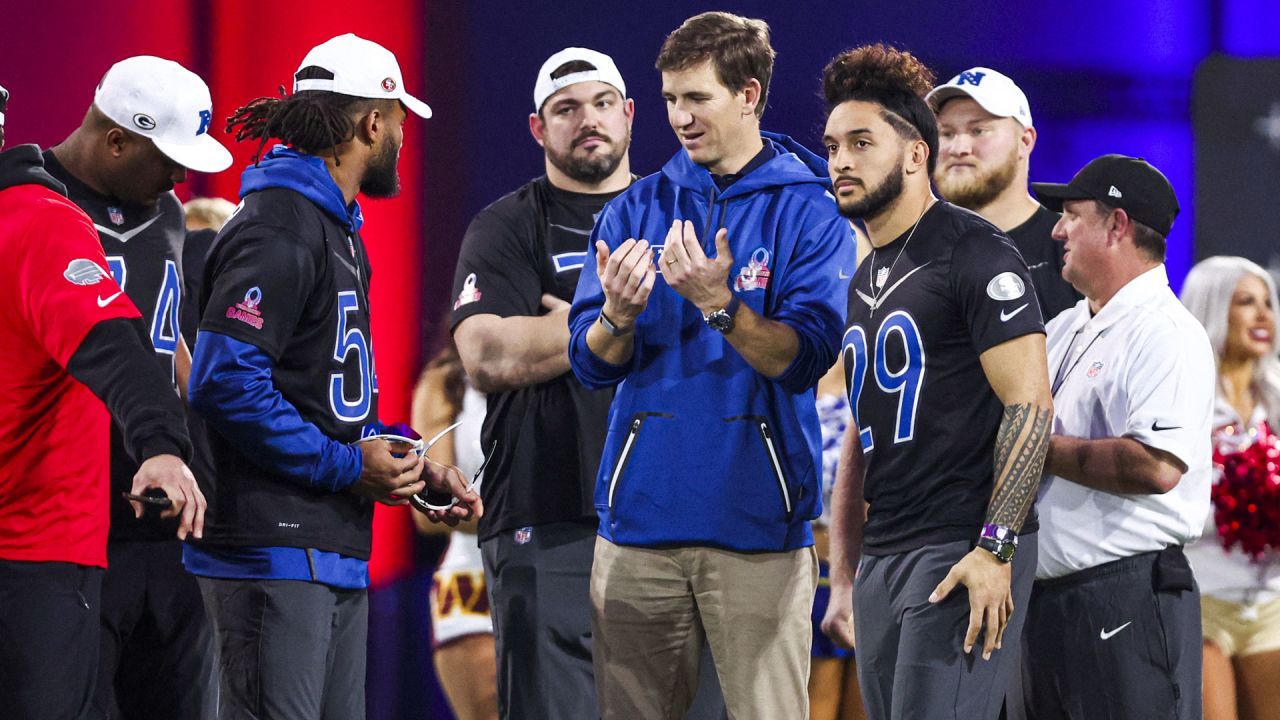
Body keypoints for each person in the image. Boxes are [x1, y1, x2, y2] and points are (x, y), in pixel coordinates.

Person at [568, 12, 855, 718]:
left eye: (697, 98)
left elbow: (805, 358)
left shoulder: (812, 209)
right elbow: (588, 361)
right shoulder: (635, 207)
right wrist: (616, 319)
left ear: (749, 95)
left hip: (758, 535)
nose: (679, 117)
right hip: (637, 530)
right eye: (669, 99)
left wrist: (719, 304)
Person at [185, 34, 479, 719]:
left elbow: (323, 392)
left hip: (328, 546)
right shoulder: (278, 229)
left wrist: (403, 458)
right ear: (371, 122)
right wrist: (348, 466)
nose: (403, 135)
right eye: (399, 119)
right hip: (270, 549)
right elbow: (224, 381)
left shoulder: (335, 229)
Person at [817, 44, 1053, 720]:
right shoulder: (866, 277)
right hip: (886, 554)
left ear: (916, 153)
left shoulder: (975, 250)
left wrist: (996, 547)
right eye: (833, 145)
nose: (841, 161)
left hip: (959, 543)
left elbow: (1030, 404)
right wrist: (844, 574)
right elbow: (866, 437)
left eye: (862, 142)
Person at [0, 81, 205, 720]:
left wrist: (165, 446)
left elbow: (124, 350)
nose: (177, 178)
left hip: (41, 549)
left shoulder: (36, 220)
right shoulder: (38, 218)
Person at [41, 55, 232, 720]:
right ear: (116, 139)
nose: (182, 175)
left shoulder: (169, 213)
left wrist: (211, 424)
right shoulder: (31, 206)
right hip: (67, 523)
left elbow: (164, 333)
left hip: (166, 515)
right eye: (167, 157)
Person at [1022, 154, 1215, 719]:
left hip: (1126, 593)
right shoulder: (1065, 326)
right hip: (1049, 599)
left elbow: (1155, 466)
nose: (1057, 228)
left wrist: (1034, 449)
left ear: (1117, 224)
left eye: (1072, 215)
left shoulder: (1167, 331)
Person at [1181, 256, 1280, 720]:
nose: (1264, 315)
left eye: (1268, 303)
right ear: (1214, 307)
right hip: (1203, 600)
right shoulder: (1185, 396)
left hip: (1268, 602)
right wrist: (1241, 500)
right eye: (1246, 302)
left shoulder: (1276, 400)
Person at [927, 67, 1079, 321]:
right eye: (946, 133)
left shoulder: (1072, 247)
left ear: (1025, 141)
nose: (959, 148)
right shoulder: (910, 252)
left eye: (978, 131)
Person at [410, 335, 497, 720]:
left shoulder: (581, 355)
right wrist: (525, 518)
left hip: (567, 571)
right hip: (473, 582)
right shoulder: (445, 380)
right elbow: (427, 511)